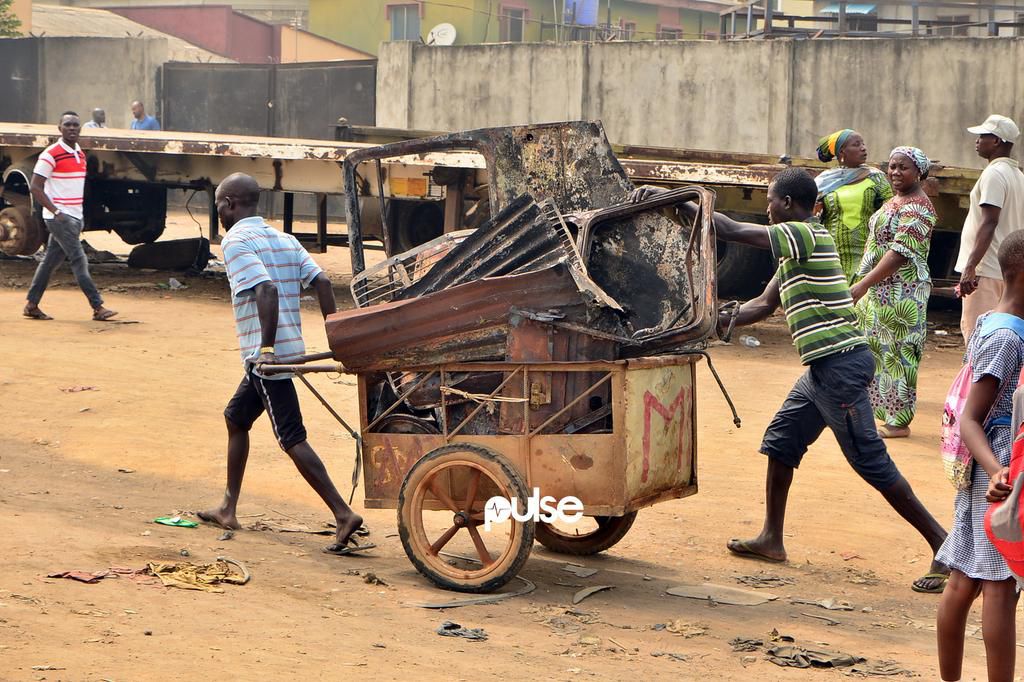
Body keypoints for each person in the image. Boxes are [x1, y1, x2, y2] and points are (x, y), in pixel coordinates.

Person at [632, 167, 948, 592]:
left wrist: (670, 198)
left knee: (870, 462)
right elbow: (761, 306)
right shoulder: (794, 249)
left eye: (769, 200)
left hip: (839, 366)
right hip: (824, 369)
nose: (766, 207)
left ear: (787, 203)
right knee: (782, 443)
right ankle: (771, 539)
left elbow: (729, 229)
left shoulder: (806, 234)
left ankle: (943, 544)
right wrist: (708, 321)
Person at [197, 173, 370, 556]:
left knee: (291, 436)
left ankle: (343, 514)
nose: (219, 213)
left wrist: (268, 348)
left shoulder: (236, 242)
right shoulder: (284, 238)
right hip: (275, 354)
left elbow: (266, 289)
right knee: (236, 418)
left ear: (229, 204)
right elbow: (322, 283)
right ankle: (228, 507)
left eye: (218, 206)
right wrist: (335, 336)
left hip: (269, 359)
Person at [936, 230, 1024, 682]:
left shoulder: (994, 320)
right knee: (999, 583)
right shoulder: (1008, 338)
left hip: (988, 470)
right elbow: (972, 416)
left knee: (965, 577)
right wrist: (996, 471)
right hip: (998, 472)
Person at [850, 147, 936, 439]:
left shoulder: (919, 207)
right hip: (879, 293)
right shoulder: (896, 200)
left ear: (920, 173)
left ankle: (899, 421)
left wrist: (863, 284)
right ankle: (875, 412)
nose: (895, 172)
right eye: (892, 166)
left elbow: (900, 253)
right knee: (876, 352)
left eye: (904, 168)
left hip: (903, 295)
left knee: (899, 356)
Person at [23, 112, 117, 322]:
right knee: (79, 259)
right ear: (60, 128)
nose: (72, 128)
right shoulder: (50, 154)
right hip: (60, 218)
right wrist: (57, 212)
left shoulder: (79, 153)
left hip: (73, 217)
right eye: (68, 125)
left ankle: (31, 304)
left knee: (49, 262)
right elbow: (35, 188)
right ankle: (97, 306)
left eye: (75, 125)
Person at [956, 114, 1024, 344]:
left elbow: (989, 221)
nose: (977, 141)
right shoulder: (1017, 175)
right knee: (1002, 338)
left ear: (997, 141)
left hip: (986, 271)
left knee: (979, 340)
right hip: (1005, 270)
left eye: (983, 136)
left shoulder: (994, 174)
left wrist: (971, 266)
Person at [815, 129, 893, 283]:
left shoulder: (876, 178)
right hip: (831, 253)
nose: (863, 148)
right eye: (856, 145)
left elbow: (890, 212)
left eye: (863, 144)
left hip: (866, 251)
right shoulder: (824, 181)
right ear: (842, 152)